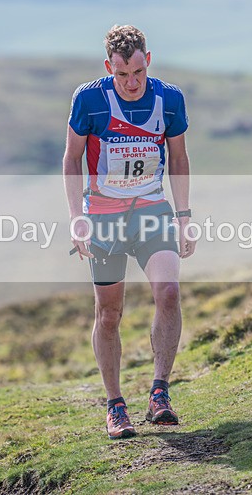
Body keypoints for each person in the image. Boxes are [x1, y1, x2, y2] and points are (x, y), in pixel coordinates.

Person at [63, 25, 196, 440]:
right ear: (109, 68)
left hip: (152, 209)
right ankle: (115, 405)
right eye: (122, 75)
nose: (132, 82)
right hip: (103, 216)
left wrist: (184, 215)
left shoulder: (169, 98)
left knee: (169, 293)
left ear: (148, 60)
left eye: (138, 72)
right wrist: (76, 217)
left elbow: (178, 157)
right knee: (109, 314)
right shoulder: (89, 99)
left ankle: (160, 392)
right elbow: (71, 159)